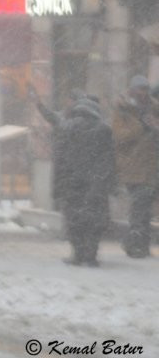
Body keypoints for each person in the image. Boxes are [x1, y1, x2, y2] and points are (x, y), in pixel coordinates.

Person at [54, 98, 115, 267]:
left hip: (72, 182)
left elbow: (59, 158)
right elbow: (109, 159)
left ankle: (77, 253)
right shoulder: (104, 129)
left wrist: (58, 184)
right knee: (95, 219)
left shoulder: (66, 128)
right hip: (96, 182)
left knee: (74, 219)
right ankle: (91, 254)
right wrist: (108, 181)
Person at [111, 75, 159, 258]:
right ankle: (133, 244)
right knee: (140, 207)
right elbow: (119, 137)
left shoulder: (154, 109)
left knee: (144, 209)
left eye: (146, 89)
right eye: (140, 89)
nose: (143, 93)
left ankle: (142, 245)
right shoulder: (122, 110)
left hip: (153, 167)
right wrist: (141, 127)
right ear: (131, 90)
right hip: (134, 167)